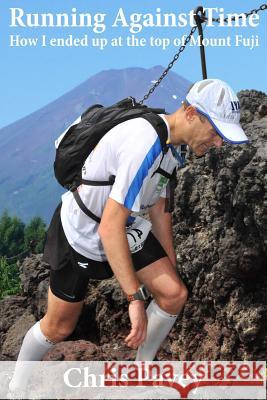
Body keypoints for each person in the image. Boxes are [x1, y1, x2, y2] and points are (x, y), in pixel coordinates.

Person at [9, 78, 249, 392]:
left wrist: (168, 267)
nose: (218, 143)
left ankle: (138, 377)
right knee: (59, 326)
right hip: (81, 229)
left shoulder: (172, 149)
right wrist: (134, 299)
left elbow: (161, 210)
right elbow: (109, 227)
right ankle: (15, 388)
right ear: (191, 113)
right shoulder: (145, 141)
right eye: (216, 132)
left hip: (121, 225)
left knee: (173, 293)